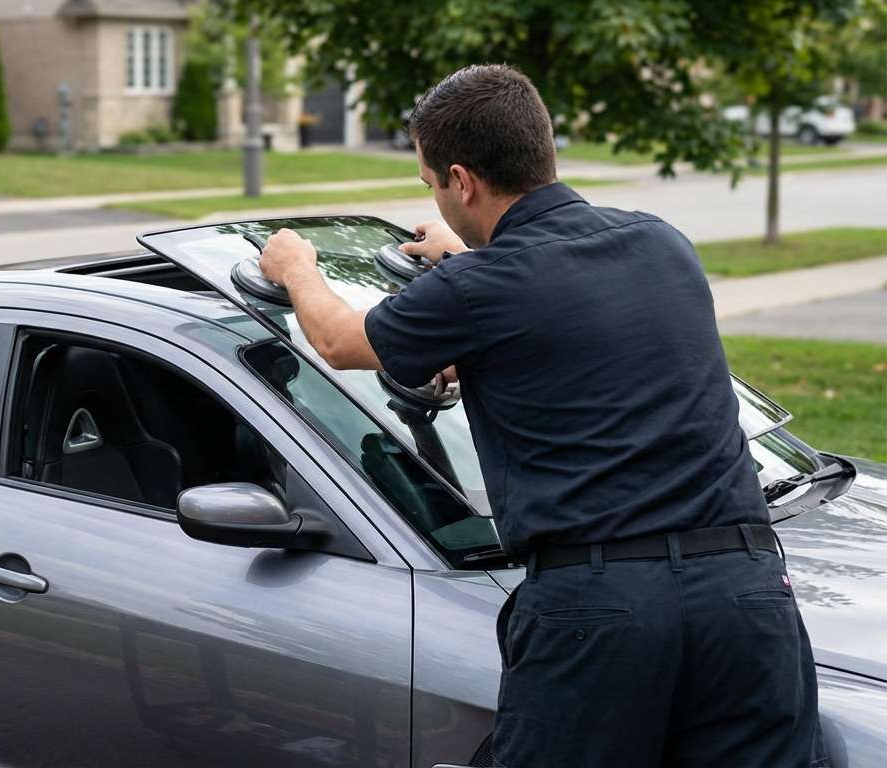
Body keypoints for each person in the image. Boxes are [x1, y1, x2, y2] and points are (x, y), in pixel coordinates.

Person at [258, 64, 825, 768]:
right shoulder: (660, 244)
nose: (436, 196)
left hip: (601, 608)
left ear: (461, 181)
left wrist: (297, 268)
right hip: (748, 595)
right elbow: (570, 316)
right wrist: (463, 258)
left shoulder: (477, 288)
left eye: (431, 183)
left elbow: (338, 341)